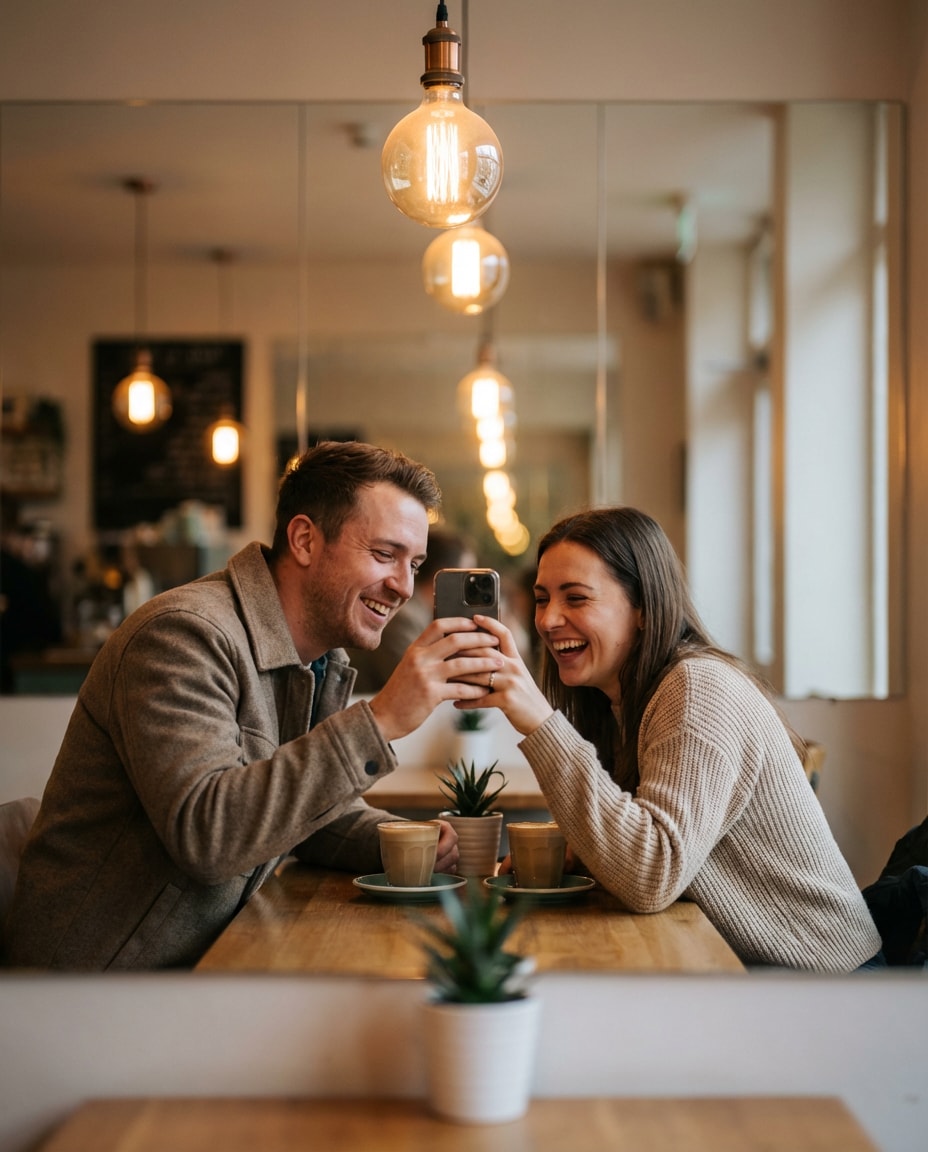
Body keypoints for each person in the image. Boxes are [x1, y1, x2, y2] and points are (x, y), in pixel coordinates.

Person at [5, 441, 503, 970]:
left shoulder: (316, 658)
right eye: (384, 555)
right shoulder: (182, 636)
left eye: (416, 562)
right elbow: (210, 835)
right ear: (306, 539)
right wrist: (381, 719)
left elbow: (296, 813)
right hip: (93, 994)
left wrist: (404, 840)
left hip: (199, 965)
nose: (405, 586)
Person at [453, 506, 882, 972]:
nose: (549, 620)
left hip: (826, 991)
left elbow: (651, 876)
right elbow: (661, 841)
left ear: (643, 609)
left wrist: (539, 721)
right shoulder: (622, 700)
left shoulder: (696, 688)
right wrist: (582, 853)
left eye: (575, 598)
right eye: (541, 599)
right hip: (751, 974)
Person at [347, 526, 477, 693]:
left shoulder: (422, 615)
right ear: (444, 575)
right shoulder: (403, 618)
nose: (469, 586)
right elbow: (415, 688)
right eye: (466, 576)